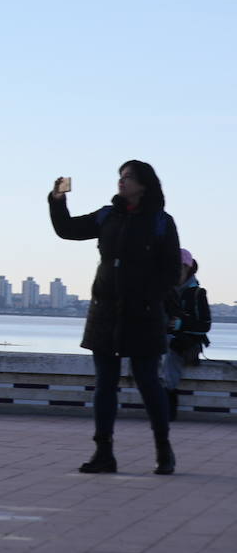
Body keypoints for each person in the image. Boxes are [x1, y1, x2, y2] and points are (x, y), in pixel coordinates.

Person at [50, 161, 181, 475]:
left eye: (129, 178)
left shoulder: (161, 222)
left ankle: (163, 449)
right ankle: (103, 453)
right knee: (104, 385)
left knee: (149, 382)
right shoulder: (107, 216)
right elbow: (67, 230)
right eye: (120, 177)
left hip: (144, 314)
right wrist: (57, 200)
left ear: (144, 185)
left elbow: (171, 270)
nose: (122, 182)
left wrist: (149, 298)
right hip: (106, 313)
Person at [162, 249, 209, 420]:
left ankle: (169, 397)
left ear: (188, 269)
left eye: (180, 267)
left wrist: (181, 324)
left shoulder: (197, 294)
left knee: (171, 348)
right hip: (166, 340)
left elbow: (205, 325)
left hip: (188, 344)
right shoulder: (165, 291)